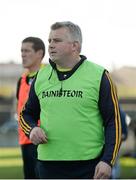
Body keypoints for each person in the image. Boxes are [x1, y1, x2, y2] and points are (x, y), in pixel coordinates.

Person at [20, 21, 122, 179]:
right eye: (50, 41)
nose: (51, 45)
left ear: (75, 45)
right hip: (48, 165)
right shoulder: (41, 77)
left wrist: (107, 161)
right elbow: (26, 114)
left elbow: (113, 121)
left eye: (57, 41)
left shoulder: (99, 75)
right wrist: (32, 129)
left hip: (89, 166)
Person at [16, 36, 45, 179]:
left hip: (43, 141)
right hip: (25, 141)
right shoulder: (21, 80)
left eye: (27, 51)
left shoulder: (49, 76)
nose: (23, 54)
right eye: (22, 51)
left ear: (39, 53)